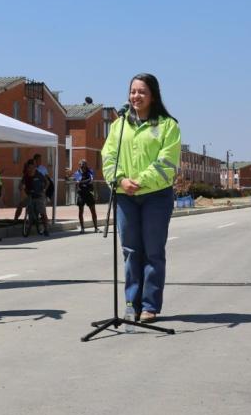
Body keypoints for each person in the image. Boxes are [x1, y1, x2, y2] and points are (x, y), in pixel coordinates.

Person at [101, 73, 181, 323]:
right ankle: (131, 304)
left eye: (141, 92)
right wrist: (121, 179)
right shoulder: (119, 124)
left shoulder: (168, 125)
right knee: (131, 251)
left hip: (156, 196)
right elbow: (108, 156)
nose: (136, 96)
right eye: (133, 91)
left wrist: (141, 181)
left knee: (153, 252)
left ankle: (149, 306)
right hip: (125, 196)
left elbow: (167, 162)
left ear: (153, 95)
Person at [21, 160, 49, 235]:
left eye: (31, 167)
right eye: (28, 168)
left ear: (34, 167)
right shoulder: (26, 176)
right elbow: (22, 184)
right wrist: (22, 188)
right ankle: (28, 227)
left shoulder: (38, 174)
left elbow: (47, 182)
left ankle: (46, 229)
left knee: (43, 213)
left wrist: (44, 190)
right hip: (30, 195)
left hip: (39, 195)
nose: (30, 169)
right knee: (29, 210)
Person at [73, 159, 98, 233]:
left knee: (93, 210)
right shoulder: (77, 173)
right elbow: (78, 183)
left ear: (86, 165)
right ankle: (82, 228)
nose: (82, 167)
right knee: (81, 211)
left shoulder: (90, 171)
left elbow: (91, 180)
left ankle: (96, 228)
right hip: (81, 194)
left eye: (84, 165)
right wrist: (85, 182)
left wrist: (82, 182)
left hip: (89, 193)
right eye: (81, 165)